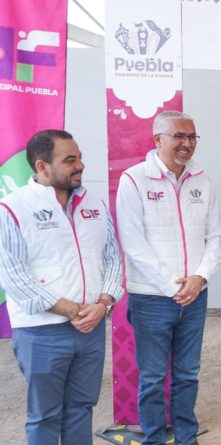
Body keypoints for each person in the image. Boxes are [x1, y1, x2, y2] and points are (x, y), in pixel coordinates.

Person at [0, 130, 123, 444]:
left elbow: (112, 257)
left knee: (81, 408)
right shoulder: (12, 208)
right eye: (69, 160)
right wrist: (71, 309)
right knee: (45, 415)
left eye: (79, 157)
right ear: (42, 166)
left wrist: (104, 303)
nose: (80, 165)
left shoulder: (94, 203)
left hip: (90, 328)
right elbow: (13, 277)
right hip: (41, 332)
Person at [116, 111, 221, 445]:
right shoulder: (135, 179)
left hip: (195, 296)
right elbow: (133, 243)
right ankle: (153, 439)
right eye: (179, 136)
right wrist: (171, 286)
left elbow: (216, 239)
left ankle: (186, 438)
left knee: (188, 374)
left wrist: (199, 279)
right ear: (158, 139)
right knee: (152, 378)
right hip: (151, 299)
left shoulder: (202, 179)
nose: (187, 143)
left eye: (192, 137)